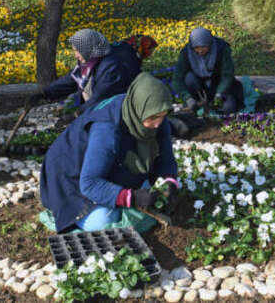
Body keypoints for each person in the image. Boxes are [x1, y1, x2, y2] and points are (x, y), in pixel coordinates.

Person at [39, 72, 179, 233]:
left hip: (104, 165)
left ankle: (118, 195)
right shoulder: (106, 128)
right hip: (70, 175)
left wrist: (170, 182)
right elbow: (90, 183)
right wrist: (132, 198)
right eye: (154, 118)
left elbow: (166, 159)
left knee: (157, 191)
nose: (157, 124)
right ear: (139, 108)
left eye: (162, 116)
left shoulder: (153, 114)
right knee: (102, 221)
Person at [29, 28, 141, 115]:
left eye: (77, 51)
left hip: (112, 115)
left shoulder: (112, 68)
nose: (75, 55)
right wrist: (45, 93)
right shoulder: (89, 62)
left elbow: (101, 98)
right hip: (96, 111)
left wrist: (79, 113)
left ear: (89, 49)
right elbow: (72, 80)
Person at [173, 27, 243, 115]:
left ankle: (214, 101)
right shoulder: (187, 52)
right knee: (189, 78)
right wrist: (187, 98)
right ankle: (198, 101)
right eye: (196, 47)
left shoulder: (221, 48)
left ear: (209, 43)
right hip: (199, 86)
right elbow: (177, 79)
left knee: (228, 108)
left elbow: (227, 75)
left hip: (218, 83)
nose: (200, 50)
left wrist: (219, 93)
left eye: (203, 47)